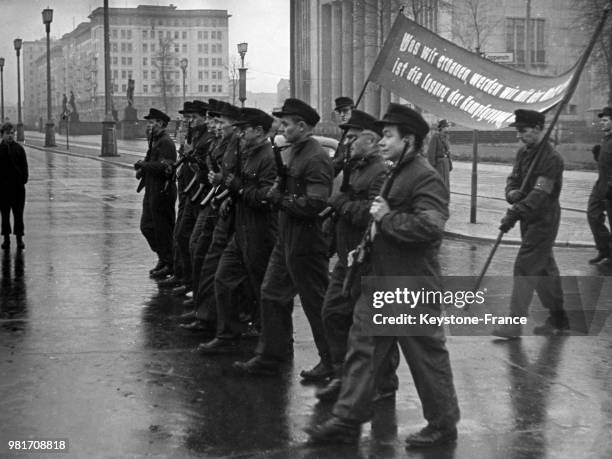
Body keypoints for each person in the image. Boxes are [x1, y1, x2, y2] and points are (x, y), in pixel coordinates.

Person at [306, 103, 460, 448]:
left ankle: (443, 423)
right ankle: (347, 420)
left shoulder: (424, 176)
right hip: (381, 281)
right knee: (363, 350)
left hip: (411, 284)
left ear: (409, 139)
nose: (382, 141)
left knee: (425, 358)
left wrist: (387, 218)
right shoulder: (396, 171)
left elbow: (431, 227)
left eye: (388, 136)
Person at [233, 98, 334, 380]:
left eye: (287, 124)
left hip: (307, 240)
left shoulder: (315, 157)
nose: (281, 127)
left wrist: (279, 198)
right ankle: (271, 356)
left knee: (317, 304)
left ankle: (332, 363)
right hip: (287, 236)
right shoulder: (295, 151)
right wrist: (281, 187)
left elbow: (315, 204)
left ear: (302, 126)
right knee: (271, 294)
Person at [316, 109, 398, 402]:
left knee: (374, 324)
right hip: (346, 257)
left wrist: (341, 203)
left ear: (372, 140)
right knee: (333, 313)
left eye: (353, 137)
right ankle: (343, 375)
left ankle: (385, 382)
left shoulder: (383, 172)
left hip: (370, 259)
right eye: (345, 137)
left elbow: (370, 215)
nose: (347, 142)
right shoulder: (354, 167)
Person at [198, 108, 278, 353]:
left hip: (259, 230)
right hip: (241, 227)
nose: (241, 133)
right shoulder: (249, 153)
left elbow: (266, 197)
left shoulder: (268, 158)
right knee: (223, 278)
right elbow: (239, 184)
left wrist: (238, 188)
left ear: (260, 131)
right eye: (240, 129)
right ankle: (227, 335)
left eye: (246, 129)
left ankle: (271, 342)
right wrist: (230, 192)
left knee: (261, 286)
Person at [492, 109, 569, 339]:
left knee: (525, 267)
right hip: (528, 218)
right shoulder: (524, 153)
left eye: (523, 130)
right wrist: (512, 193)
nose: (519, 135)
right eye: (517, 131)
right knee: (544, 269)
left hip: (543, 220)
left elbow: (539, 194)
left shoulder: (552, 159)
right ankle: (559, 319)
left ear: (537, 129)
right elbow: (513, 179)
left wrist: (514, 212)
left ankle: (514, 325)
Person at [135, 108, 177, 278]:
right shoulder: (154, 140)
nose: (149, 126)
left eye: (151, 122)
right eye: (148, 122)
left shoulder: (166, 142)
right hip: (152, 188)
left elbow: (166, 167)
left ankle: (169, 262)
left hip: (163, 190)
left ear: (161, 124)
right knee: (147, 226)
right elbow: (150, 160)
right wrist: (142, 169)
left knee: (163, 229)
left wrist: (144, 166)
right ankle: (163, 257)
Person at [587, 106, 612, 264]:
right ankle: (605, 249)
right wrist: (598, 156)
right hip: (600, 185)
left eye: (605, 120)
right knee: (593, 216)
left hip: (611, 187)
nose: (602, 123)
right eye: (601, 120)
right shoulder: (606, 139)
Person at [0, 122, 28, 250]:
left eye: (12, 133)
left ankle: (19, 239)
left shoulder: (19, 149)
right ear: (2, 135)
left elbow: (24, 168)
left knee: (18, 215)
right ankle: (6, 239)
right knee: (5, 215)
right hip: (3, 189)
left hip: (17, 189)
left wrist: (22, 180)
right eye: (7, 134)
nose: (10, 136)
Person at [426, 119, 452, 190]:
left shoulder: (446, 137)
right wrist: (432, 167)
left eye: (447, 127)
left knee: (446, 183)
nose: (447, 128)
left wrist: (450, 163)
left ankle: (445, 197)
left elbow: (448, 152)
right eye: (446, 127)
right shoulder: (435, 137)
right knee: (439, 182)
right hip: (439, 164)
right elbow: (431, 153)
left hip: (445, 163)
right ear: (441, 128)